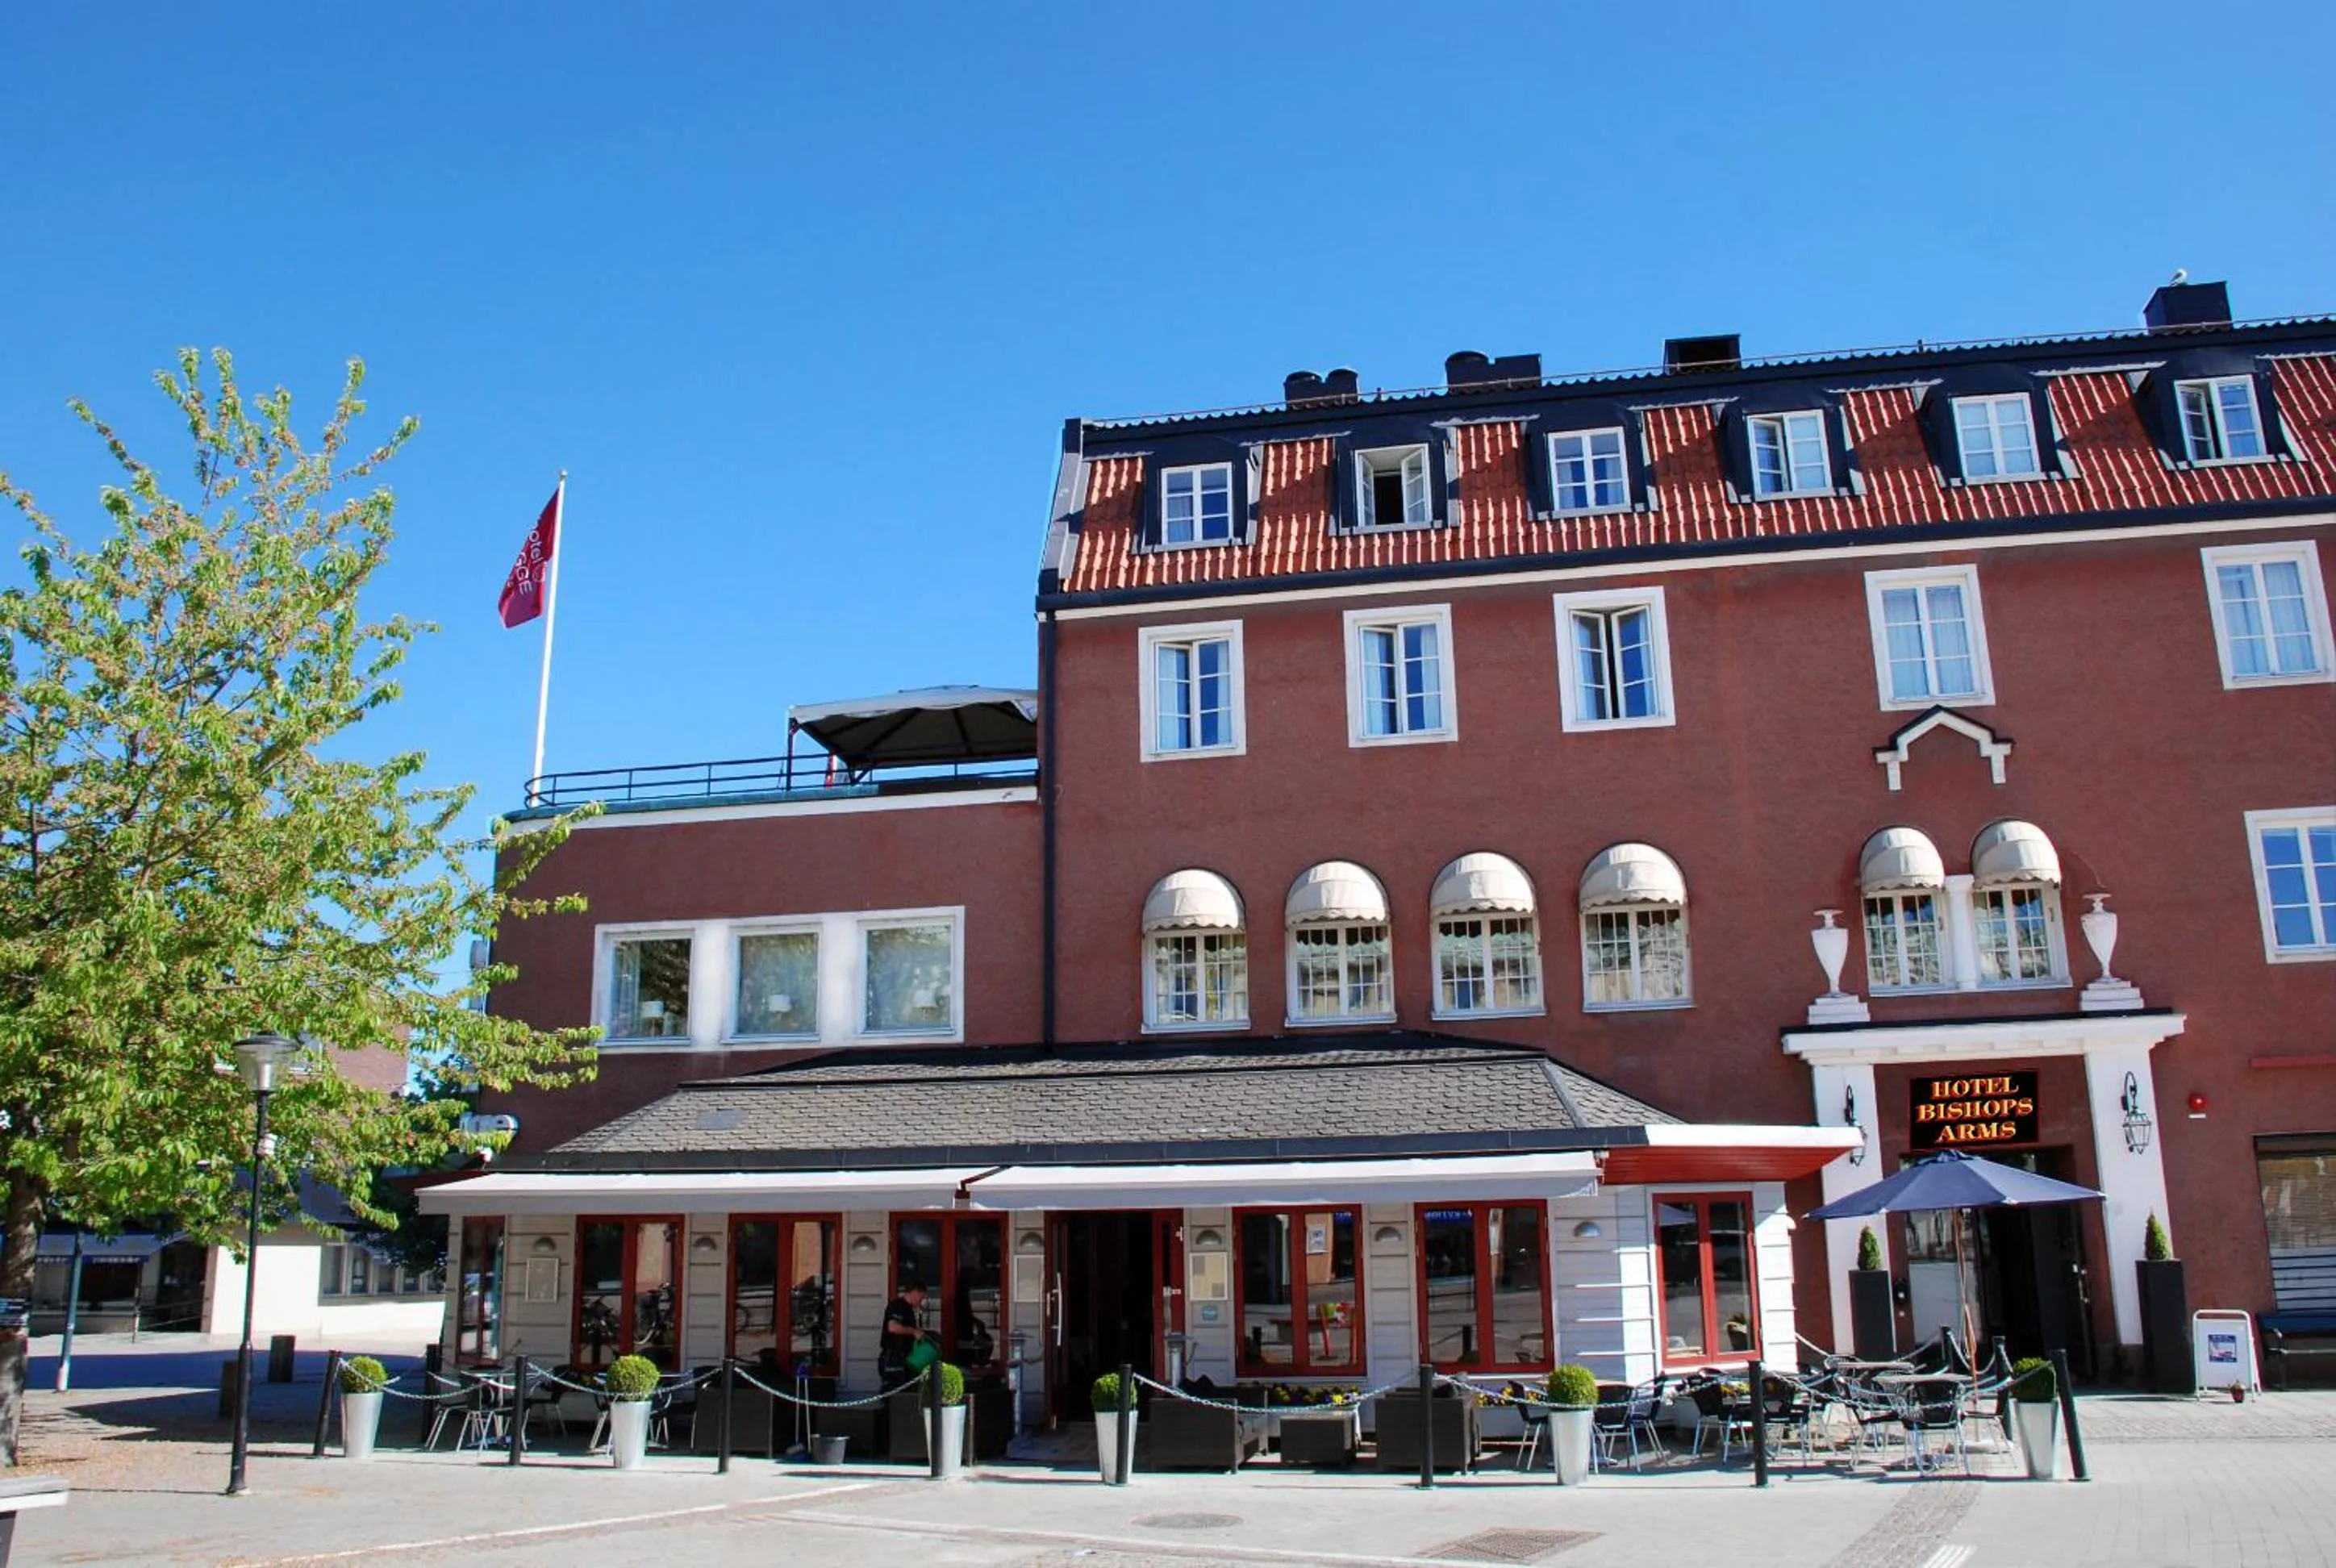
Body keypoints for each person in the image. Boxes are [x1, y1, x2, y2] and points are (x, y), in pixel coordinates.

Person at [879, 1279, 928, 1382]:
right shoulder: (898, 1305)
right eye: (921, 1297)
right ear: (915, 1291)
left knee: (904, 1393)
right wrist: (914, 1332)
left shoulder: (909, 1309)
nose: (921, 1301)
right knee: (894, 1393)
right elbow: (893, 1327)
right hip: (893, 1358)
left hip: (904, 1358)